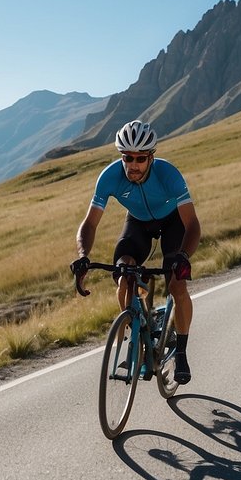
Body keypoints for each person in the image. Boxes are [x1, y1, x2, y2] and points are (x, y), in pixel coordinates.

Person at [71, 119, 201, 383]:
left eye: (140, 158)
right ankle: (136, 334)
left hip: (172, 222)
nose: (133, 165)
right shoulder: (109, 176)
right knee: (124, 271)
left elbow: (192, 224)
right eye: (127, 157)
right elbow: (90, 223)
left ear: (150, 157)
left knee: (177, 286)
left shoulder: (169, 175)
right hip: (138, 223)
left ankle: (182, 352)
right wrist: (83, 256)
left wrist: (183, 258)